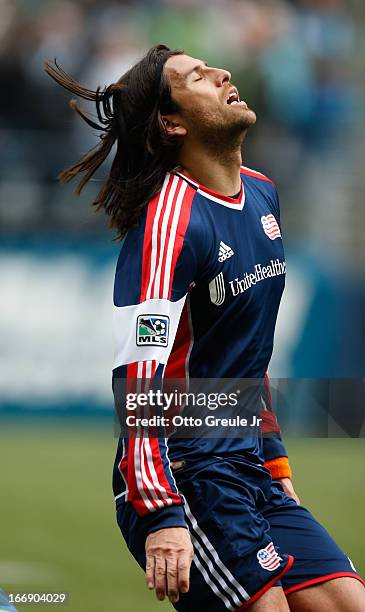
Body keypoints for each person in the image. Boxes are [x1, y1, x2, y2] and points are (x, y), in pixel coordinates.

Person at [45, 45, 365, 611]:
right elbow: (137, 377)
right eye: (196, 77)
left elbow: (248, 355)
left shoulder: (263, 192)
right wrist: (161, 513)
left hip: (246, 465)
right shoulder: (169, 221)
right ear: (172, 122)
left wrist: (272, 456)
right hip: (186, 473)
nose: (222, 74)